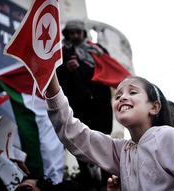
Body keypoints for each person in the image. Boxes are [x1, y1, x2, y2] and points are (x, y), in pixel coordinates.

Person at [45, 73, 174, 190]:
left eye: (133, 92)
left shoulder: (170, 137)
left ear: (154, 107)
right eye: (118, 95)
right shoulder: (121, 151)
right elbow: (73, 133)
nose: (122, 97)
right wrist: (50, 77)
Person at [58, 19, 130, 190]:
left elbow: (108, 69)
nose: (75, 36)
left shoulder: (97, 50)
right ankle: (88, 183)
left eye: (78, 32)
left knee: (104, 143)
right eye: (72, 33)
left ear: (83, 34)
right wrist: (67, 69)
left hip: (100, 106)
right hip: (78, 107)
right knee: (81, 143)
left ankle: (108, 182)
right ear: (67, 35)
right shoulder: (62, 53)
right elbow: (55, 78)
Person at [0, 38, 64, 184]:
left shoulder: (55, 71)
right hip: (29, 138)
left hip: (55, 136)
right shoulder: (17, 73)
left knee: (54, 173)